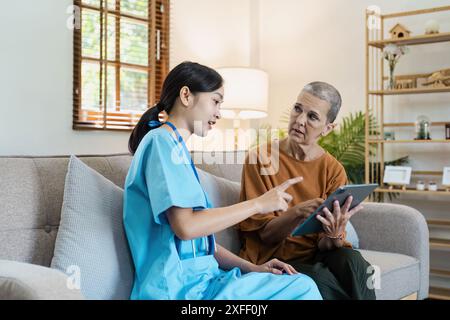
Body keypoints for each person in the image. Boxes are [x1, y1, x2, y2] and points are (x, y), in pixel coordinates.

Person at [123, 61, 322, 300]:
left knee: (298, 283)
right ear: (186, 95)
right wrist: (258, 204)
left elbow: (203, 243)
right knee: (303, 288)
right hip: (181, 293)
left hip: (207, 284)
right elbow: (187, 227)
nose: (218, 113)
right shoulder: (160, 144)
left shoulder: (177, 151)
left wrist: (254, 268)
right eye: (216, 101)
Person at [238, 82, 376, 300]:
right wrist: (298, 213)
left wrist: (334, 233)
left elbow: (328, 244)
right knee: (319, 280)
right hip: (273, 259)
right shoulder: (261, 158)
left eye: (312, 117)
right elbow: (264, 235)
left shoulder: (333, 169)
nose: (300, 120)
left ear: (328, 128)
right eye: (297, 109)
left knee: (356, 263)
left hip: (318, 254)